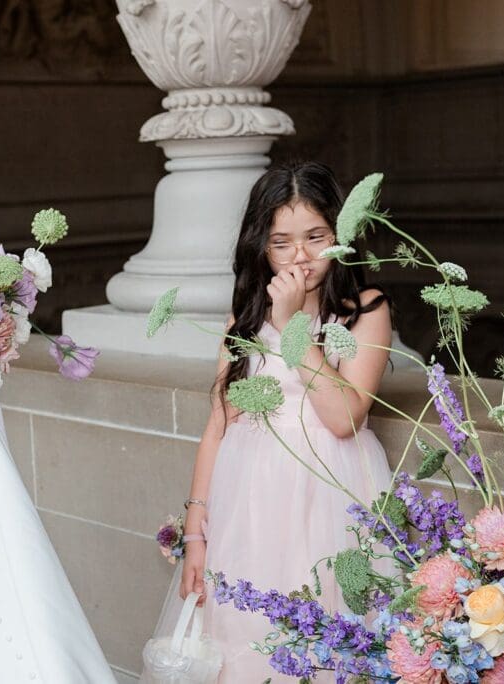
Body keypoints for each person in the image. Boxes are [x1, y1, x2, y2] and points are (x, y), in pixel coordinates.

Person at [146, 161, 394, 682]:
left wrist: (292, 326)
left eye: (315, 236)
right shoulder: (245, 320)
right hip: (251, 501)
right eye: (282, 242)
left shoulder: (364, 309)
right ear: (261, 246)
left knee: (327, 636)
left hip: (332, 491)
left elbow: (345, 416)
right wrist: (196, 529)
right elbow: (219, 424)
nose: (300, 255)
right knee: (245, 639)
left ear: (340, 234)